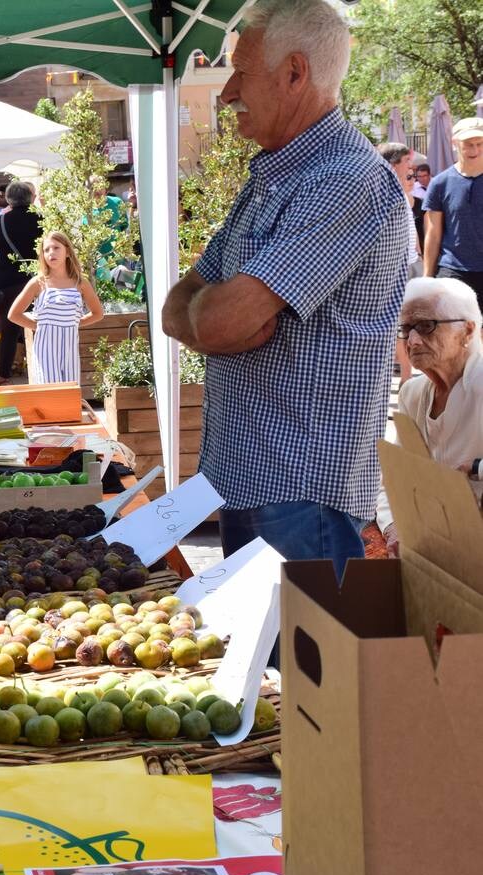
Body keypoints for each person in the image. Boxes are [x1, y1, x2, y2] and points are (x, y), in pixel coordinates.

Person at [161, 0, 409, 573]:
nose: (226, 93)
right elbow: (179, 308)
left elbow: (213, 318)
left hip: (301, 493)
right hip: (247, 477)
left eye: (239, 72)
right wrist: (208, 314)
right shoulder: (276, 176)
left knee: (302, 664)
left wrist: (209, 315)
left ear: (294, 73)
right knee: (264, 660)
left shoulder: (345, 183)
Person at [376, 277, 483, 557]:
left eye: (426, 326)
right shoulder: (413, 393)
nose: (411, 341)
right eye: (405, 329)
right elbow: (393, 479)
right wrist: (395, 526)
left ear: (467, 331)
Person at [6, 231, 105, 384]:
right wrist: (38, 326)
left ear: (67, 251)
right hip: (45, 350)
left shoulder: (80, 282)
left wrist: (74, 323)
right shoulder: (38, 282)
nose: (51, 253)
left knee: (69, 395)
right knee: (51, 395)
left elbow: (98, 313)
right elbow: (14, 314)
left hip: (70, 351)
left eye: (56, 248)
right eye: (46, 250)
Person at [0, 180, 43, 385]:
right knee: (40, 325)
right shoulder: (41, 219)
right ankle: (43, 370)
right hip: (37, 280)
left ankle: (3, 375)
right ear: (30, 198)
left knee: (8, 329)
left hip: (7, 282)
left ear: (8, 199)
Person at [422, 117, 483, 304]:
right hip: (452, 270)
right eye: (468, 144)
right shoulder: (440, 183)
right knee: (451, 332)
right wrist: (427, 278)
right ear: (455, 143)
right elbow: (433, 234)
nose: (475, 150)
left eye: (480, 143)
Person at [379, 141, 421, 381]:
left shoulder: (399, 190)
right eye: (406, 161)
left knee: (403, 322)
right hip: (394, 267)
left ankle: (405, 375)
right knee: (396, 324)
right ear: (393, 164)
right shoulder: (385, 191)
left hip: (407, 263)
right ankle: (404, 376)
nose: (410, 166)